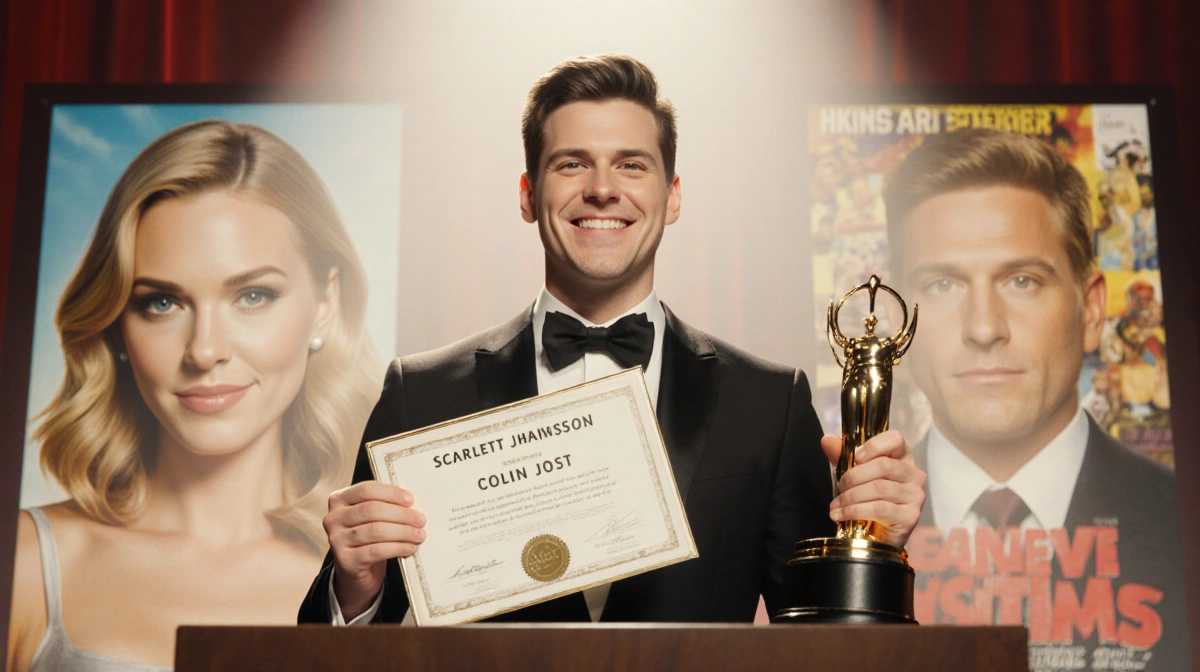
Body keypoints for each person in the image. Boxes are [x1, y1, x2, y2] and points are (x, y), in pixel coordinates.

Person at [298, 55, 926, 626]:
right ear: (528, 195)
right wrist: (355, 587)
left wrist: (878, 546)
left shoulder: (767, 403)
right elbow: (334, 647)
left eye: (632, 164)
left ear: (672, 197)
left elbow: (822, 642)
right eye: (572, 164)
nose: (602, 188)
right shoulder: (422, 393)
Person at [7, 120, 379, 671]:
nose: (204, 351)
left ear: (325, 305)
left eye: (253, 296)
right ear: (116, 322)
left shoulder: (383, 580)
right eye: (162, 303)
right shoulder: (25, 564)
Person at [882, 128, 1188, 670]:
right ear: (895, 322)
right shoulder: (817, 534)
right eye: (942, 285)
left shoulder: (1181, 520)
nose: (983, 328)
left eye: (1022, 280)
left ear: (1091, 311)